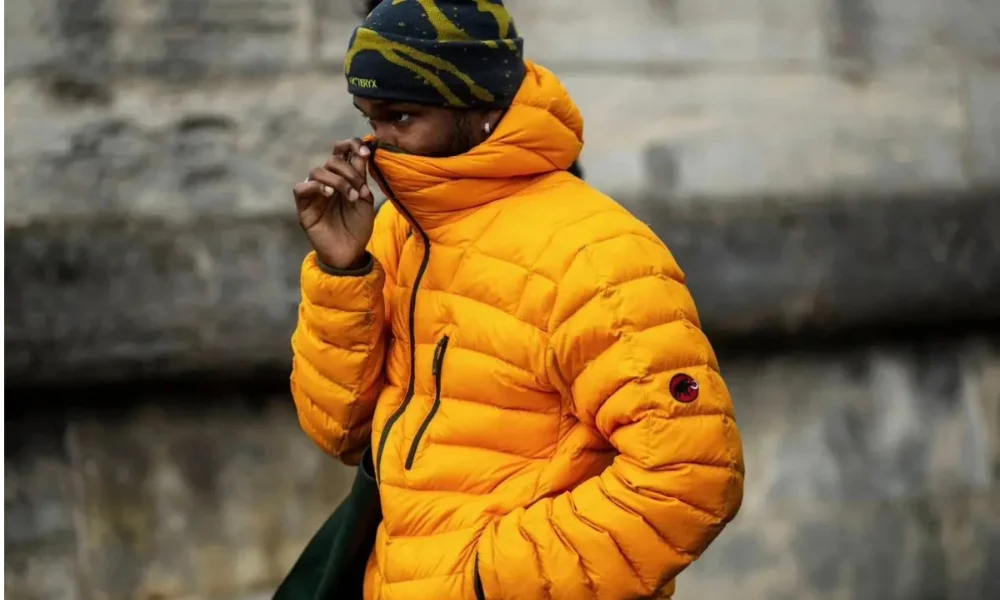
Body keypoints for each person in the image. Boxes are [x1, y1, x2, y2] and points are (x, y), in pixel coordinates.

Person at [289, 1, 744, 598]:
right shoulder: (398, 231)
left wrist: (489, 581)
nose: (376, 145)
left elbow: (690, 477)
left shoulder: (598, 255)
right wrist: (341, 270)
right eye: (369, 118)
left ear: (481, 109)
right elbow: (342, 432)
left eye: (401, 116)